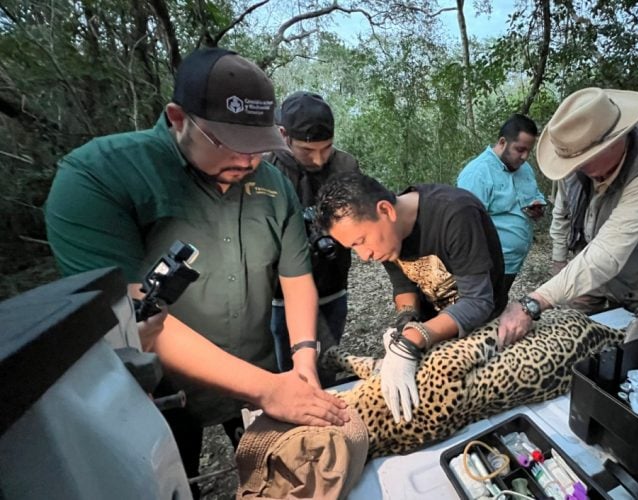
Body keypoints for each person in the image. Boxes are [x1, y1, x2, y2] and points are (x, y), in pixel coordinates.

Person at [44, 47, 348, 494]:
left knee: (286, 478)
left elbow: (295, 273)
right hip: (157, 397)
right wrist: (267, 389)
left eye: (259, 149)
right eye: (230, 145)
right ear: (178, 118)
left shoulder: (272, 184)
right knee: (172, 484)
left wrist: (302, 359)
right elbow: (131, 317)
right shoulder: (99, 177)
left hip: (260, 367)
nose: (247, 163)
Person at [315, 173, 507, 423]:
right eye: (353, 248)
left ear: (385, 210)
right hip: (436, 328)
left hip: (485, 330)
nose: (364, 255)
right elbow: (404, 286)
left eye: (361, 241)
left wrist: (411, 340)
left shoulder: (456, 213)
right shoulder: (388, 236)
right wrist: (405, 321)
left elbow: (478, 301)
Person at [498, 87, 638, 347]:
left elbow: (608, 253)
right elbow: (561, 214)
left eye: (584, 162)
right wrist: (559, 260)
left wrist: (533, 302)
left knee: (631, 341)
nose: (576, 170)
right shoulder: (572, 150)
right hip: (586, 257)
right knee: (576, 333)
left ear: (614, 141)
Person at [267, 91, 360, 375]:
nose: (319, 160)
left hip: (332, 285)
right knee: (290, 371)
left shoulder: (346, 166)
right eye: (307, 151)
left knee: (327, 366)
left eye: (326, 148)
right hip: (282, 296)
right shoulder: (265, 170)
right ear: (284, 135)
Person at [457, 113, 546, 301]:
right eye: (520, 149)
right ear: (502, 142)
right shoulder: (477, 174)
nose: (525, 157)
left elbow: (534, 194)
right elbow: (467, 228)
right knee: (479, 312)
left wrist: (537, 206)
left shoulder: (525, 169)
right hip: (487, 267)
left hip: (513, 263)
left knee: (496, 307)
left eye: (529, 151)